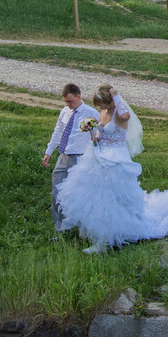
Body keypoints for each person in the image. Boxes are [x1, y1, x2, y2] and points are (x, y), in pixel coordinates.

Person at [56, 84, 168, 253]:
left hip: (115, 157)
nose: (99, 108)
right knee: (97, 196)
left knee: (111, 198)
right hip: (100, 155)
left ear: (110, 102)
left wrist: (116, 97)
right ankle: (100, 233)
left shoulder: (119, 112)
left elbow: (126, 117)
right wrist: (94, 134)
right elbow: (102, 133)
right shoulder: (103, 112)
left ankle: (106, 240)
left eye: (102, 104)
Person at [43, 83, 99, 233]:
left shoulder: (91, 113)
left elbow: (100, 133)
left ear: (78, 96)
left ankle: (82, 230)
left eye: (70, 101)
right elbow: (58, 132)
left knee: (78, 196)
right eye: (65, 102)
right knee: (56, 193)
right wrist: (49, 151)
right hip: (64, 156)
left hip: (80, 158)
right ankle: (61, 229)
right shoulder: (65, 112)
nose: (68, 104)